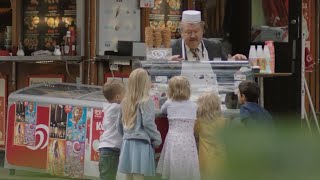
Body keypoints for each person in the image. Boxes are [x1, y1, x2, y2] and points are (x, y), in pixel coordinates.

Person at [117, 68, 162, 180]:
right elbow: (148, 123)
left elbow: (119, 124)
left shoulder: (125, 101)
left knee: (129, 174)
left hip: (127, 142)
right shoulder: (147, 101)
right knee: (139, 175)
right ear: (145, 83)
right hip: (141, 143)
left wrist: (126, 136)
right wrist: (157, 138)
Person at [157, 76, 200, 180]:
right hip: (188, 140)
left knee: (174, 164)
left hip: (173, 139)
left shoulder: (169, 102)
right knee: (187, 164)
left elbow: (162, 111)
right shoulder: (193, 105)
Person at [171, 10, 247, 61]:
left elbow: (224, 67)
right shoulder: (172, 48)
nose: (193, 36)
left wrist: (234, 60)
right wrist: (168, 64)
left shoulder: (215, 46)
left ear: (202, 31)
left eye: (196, 31)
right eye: (188, 32)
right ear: (181, 33)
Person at [195, 92, 226, 180]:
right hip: (221, 158)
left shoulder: (199, 123)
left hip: (205, 159)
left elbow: (195, 134)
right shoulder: (224, 121)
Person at [99, 79, 125, 180]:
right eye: (124, 94)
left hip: (108, 148)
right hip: (110, 149)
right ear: (118, 97)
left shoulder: (109, 107)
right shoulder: (115, 108)